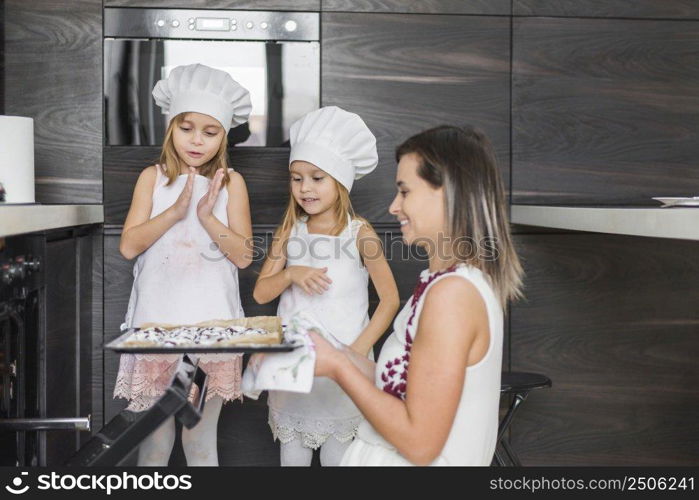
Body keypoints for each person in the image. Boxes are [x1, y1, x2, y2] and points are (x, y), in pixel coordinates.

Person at [311, 125, 524, 465]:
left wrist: (338, 367)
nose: (394, 207)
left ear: (448, 194)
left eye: (405, 192)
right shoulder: (444, 283)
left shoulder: (453, 295)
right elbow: (403, 382)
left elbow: (420, 444)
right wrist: (324, 351)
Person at [113, 63, 254, 466]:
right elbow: (128, 246)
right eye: (187, 128)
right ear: (170, 127)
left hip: (213, 332)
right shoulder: (151, 178)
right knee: (155, 444)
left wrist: (208, 217)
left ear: (224, 136)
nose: (197, 141)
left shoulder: (232, 184)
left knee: (200, 443)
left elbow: (243, 255)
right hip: (157, 327)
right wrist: (175, 211)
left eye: (210, 133)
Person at [253, 106, 400, 466]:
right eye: (297, 178)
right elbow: (261, 293)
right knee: (293, 458)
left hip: (345, 372)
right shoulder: (291, 231)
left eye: (317, 178)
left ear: (340, 181)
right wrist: (290, 274)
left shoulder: (359, 233)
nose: (305, 188)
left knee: (339, 460)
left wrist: (355, 352)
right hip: (296, 370)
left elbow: (390, 299)